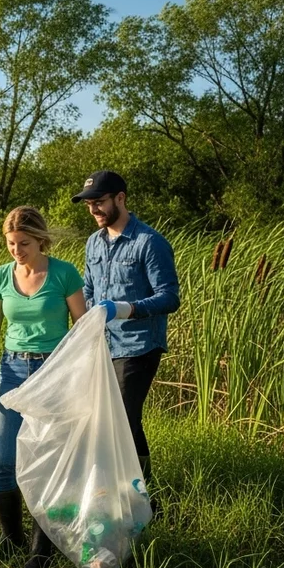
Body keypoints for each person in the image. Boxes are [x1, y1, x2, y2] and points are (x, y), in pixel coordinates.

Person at [0, 207, 86, 568]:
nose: (17, 250)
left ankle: (40, 550)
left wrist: (79, 376)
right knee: (2, 461)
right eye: (11, 243)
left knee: (44, 461)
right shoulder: (1, 275)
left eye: (25, 243)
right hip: (12, 370)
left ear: (41, 240)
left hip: (54, 371)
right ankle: (11, 537)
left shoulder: (64, 273)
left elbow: (83, 328)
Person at [73, 170, 180, 501]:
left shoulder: (150, 243)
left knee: (117, 420)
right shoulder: (94, 242)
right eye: (90, 205)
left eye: (100, 203)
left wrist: (125, 308)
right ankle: (145, 495)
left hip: (138, 346)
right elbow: (89, 289)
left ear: (121, 198)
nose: (95, 211)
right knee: (128, 420)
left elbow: (170, 297)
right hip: (102, 343)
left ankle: (118, 498)